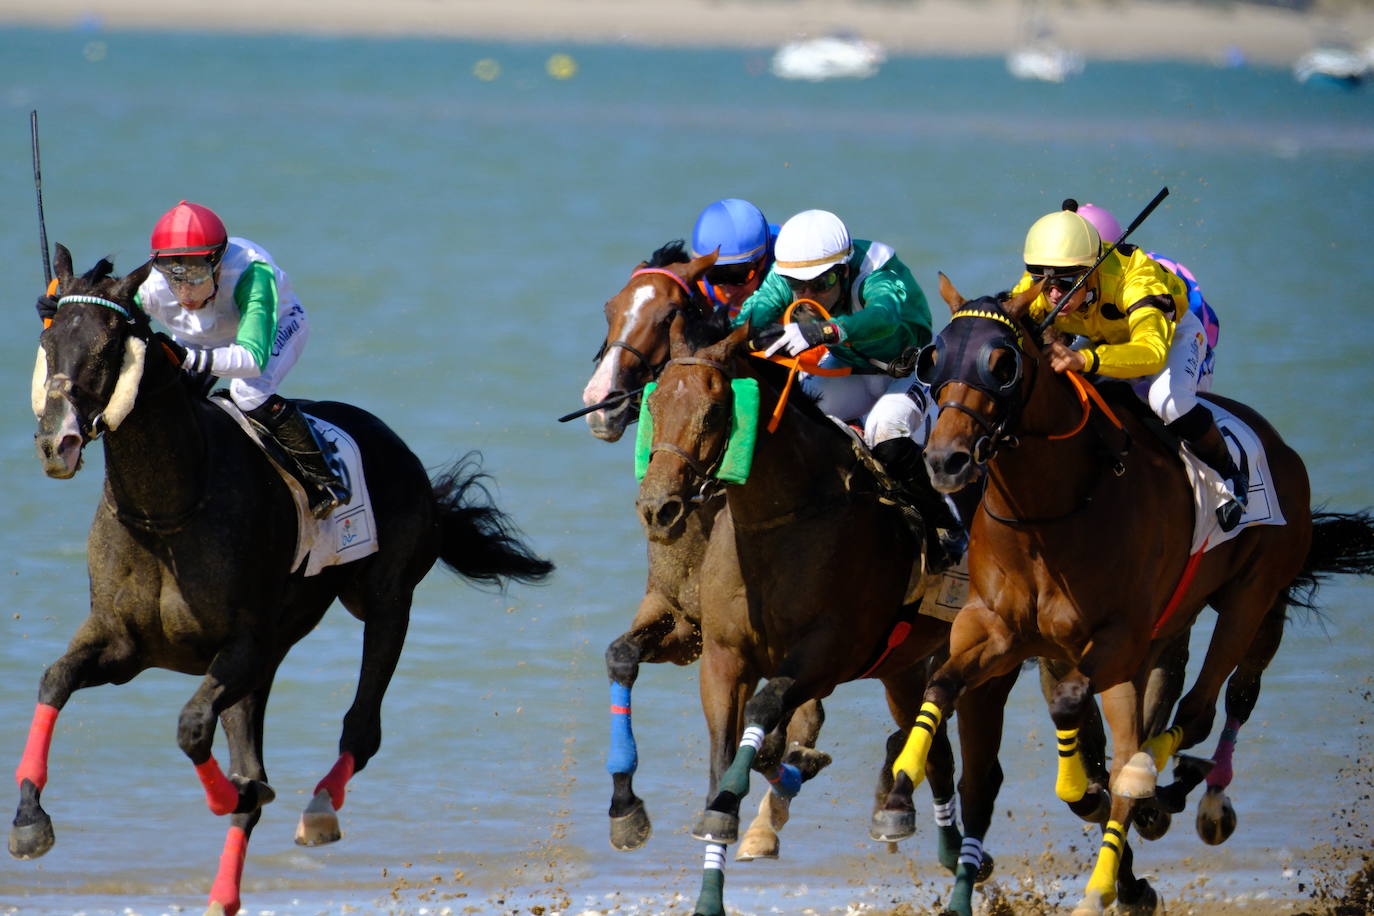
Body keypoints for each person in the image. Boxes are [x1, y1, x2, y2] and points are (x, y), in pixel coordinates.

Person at [733, 208, 963, 566]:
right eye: (799, 287)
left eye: (822, 284)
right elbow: (748, 318)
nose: (809, 294)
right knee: (801, 423)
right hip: (849, 368)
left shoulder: (879, 268)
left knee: (884, 431)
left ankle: (945, 523)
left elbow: (883, 317)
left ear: (844, 270)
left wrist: (821, 331)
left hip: (908, 370)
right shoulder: (786, 276)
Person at [1015, 202, 1248, 531]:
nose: (1053, 293)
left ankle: (1229, 474)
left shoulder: (1137, 280)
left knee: (1169, 401)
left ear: (1091, 270)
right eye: (1043, 280)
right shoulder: (1051, 278)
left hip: (1170, 337)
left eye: (1066, 284)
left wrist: (1085, 359)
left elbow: (1151, 352)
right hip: (1105, 335)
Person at [136, 201, 349, 519]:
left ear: (218, 260)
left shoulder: (252, 270)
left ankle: (325, 479)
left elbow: (251, 359)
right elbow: (104, 314)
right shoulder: (150, 285)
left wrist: (188, 358)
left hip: (272, 329)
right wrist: (59, 309)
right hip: (200, 340)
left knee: (249, 393)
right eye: (173, 274)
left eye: (195, 273)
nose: (185, 290)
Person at [1073, 200, 1221, 385]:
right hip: (1115, 344)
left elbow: (1199, 320)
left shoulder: (1155, 272)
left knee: (1162, 400)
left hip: (1178, 348)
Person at [689, 198, 778, 318]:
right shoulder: (701, 282)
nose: (729, 293)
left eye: (737, 276)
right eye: (715, 277)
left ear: (763, 260)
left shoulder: (791, 263)